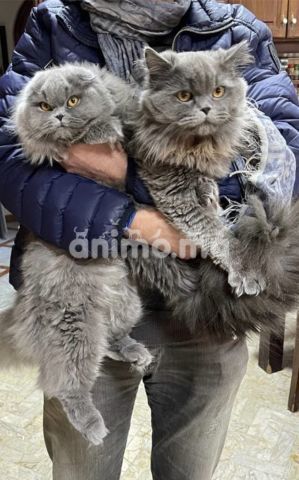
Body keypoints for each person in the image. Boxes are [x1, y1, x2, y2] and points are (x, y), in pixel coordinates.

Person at [0, 1, 298, 479]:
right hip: (85, 299)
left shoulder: (238, 29)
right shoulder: (54, 24)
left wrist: (130, 177)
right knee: (82, 467)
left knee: (189, 469)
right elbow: (11, 161)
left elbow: (289, 158)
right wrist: (138, 221)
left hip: (209, 313)